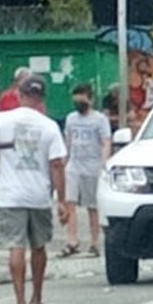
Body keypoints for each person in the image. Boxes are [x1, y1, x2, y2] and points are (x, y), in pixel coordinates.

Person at [0, 76, 68, 304]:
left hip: (10, 195)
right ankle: (36, 298)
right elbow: (57, 165)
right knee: (39, 247)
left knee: (15, 246)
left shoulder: (2, 121)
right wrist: (62, 201)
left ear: (19, 94)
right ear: (41, 99)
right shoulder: (49, 126)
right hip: (39, 194)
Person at [61, 83, 111, 258]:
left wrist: (103, 162)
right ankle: (72, 241)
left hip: (92, 166)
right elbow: (68, 141)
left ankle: (95, 242)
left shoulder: (99, 120)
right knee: (70, 203)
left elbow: (106, 141)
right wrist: (64, 163)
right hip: (74, 166)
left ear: (90, 99)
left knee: (92, 206)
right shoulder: (71, 119)